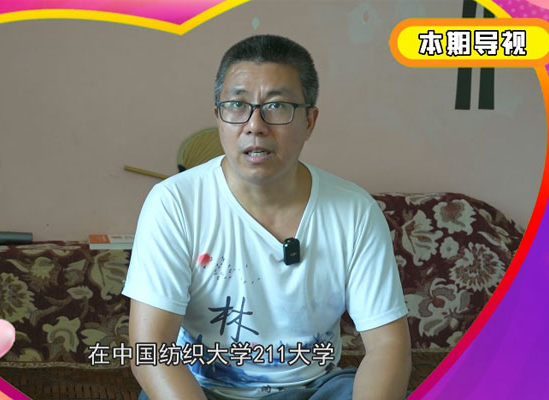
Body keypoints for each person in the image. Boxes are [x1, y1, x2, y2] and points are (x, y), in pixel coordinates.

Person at [122, 34, 411, 400]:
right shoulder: (175, 203)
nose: (255, 125)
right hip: (204, 391)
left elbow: (387, 346)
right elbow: (151, 349)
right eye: (237, 105)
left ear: (309, 121)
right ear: (218, 117)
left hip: (313, 391)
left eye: (277, 106)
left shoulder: (354, 211)